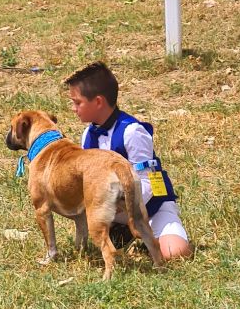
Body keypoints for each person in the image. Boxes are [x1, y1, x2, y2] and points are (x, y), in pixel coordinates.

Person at [65, 61, 192, 260]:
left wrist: (120, 206)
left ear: (98, 102)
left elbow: (148, 181)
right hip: (115, 211)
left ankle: (148, 234)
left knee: (176, 254)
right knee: (95, 252)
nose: (73, 108)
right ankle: (125, 233)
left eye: (77, 102)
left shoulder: (132, 132)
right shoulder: (87, 135)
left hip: (151, 207)